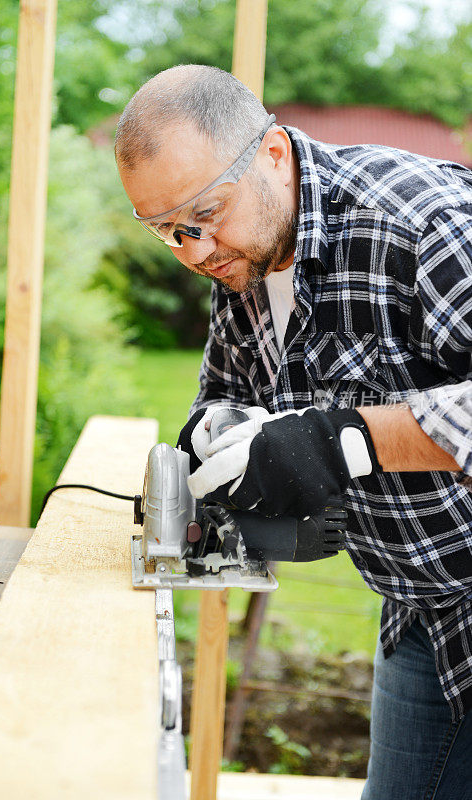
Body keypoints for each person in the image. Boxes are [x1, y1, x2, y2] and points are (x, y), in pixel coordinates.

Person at [115, 64, 472, 799]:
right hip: (423, 609)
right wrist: (214, 431)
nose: (193, 250)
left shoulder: (422, 225)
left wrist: (345, 440)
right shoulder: (240, 261)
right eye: (166, 231)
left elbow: (331, 437)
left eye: (204, 213)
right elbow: (226, 393)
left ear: (273, 152)